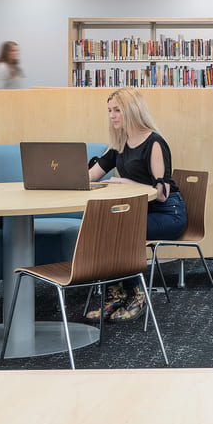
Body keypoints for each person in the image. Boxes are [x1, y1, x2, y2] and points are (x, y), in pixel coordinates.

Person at [87, 88, 187, 321]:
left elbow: (161, 194)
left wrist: (124, 182)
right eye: (109, 110)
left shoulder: (154, 143)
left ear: (132, 111)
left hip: (167, 213)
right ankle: (116, 295)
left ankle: (136, 295)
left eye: (117, 110)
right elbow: (92, 175)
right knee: (104, 228)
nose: (112, 115)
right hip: (142, 213)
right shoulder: (120, 143)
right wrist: (66, 178)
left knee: (122, 231)